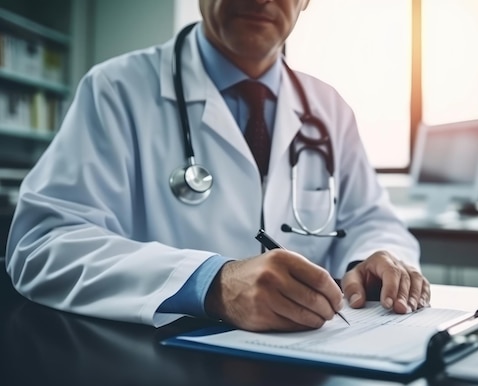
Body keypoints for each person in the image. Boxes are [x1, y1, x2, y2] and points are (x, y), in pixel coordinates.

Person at [5, 0, 430, 331]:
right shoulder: (116, 90)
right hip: (159, 371)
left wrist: (371, 260)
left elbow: (373, 219)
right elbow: (41, 246)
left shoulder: (329, 109)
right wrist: (211, 284)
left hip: (312, 370)